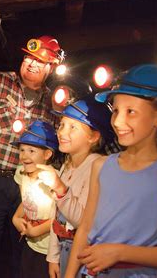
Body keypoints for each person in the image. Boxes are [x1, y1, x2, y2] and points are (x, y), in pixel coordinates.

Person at [65, 64, 157, 277]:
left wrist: (119, 253)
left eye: (131, 112)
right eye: (116, 110)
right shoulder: (101, 166)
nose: (118, 121)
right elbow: (85, 229)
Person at [0, 35, 65, 277]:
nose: (32, 63)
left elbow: (64, 142)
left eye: (40, 60)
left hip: (31, 186)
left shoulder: (53, 102)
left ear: (52, 67)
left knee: (24, 251)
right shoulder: (0, 81)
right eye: (29, 56)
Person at [35, 96, 115, 278]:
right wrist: (53, 257)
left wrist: (59, 187)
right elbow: (58, 218)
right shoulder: (67, 164)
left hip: (84, 253)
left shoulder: (97, 166)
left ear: (94, 136)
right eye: (62, 125)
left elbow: (83, 221)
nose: (62, 133)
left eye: (73, 127)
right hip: (64, 247)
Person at [11, 120, 60, 278]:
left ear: (47, 154)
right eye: (22, 150)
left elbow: (59, 217)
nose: (24, 155)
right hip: (30, 243)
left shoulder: (54, 180)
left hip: (48, 248)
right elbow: (27, 200)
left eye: (32, 151)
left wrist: (38, 230)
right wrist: (16, 218)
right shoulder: (21, 173)